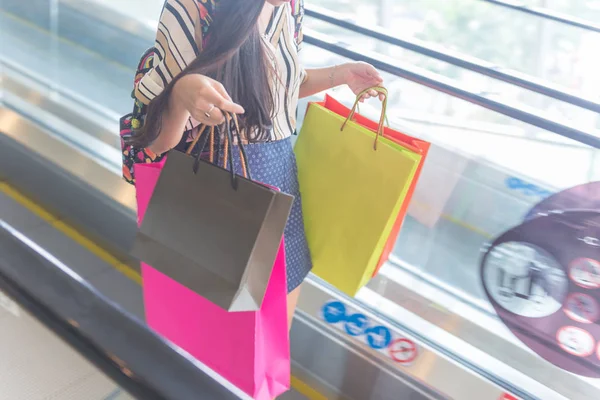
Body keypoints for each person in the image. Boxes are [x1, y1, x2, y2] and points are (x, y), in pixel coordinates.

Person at [121, 0, 384, 329]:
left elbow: (279, 88)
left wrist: (339, 74)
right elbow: (155, 145)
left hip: (280, 187)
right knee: (209, 333)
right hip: (217, 192)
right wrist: (182, 94)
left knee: (269, 342)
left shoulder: (289, 7)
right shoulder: (194, 6)